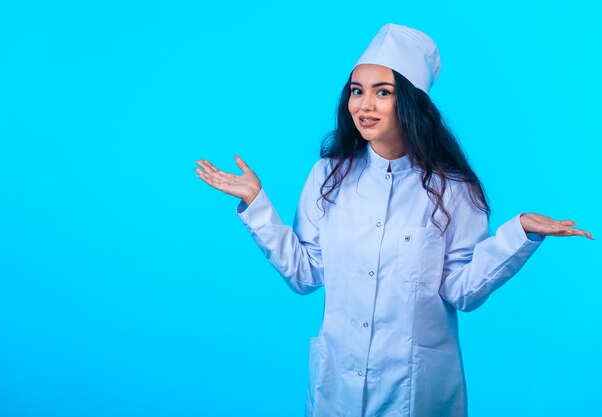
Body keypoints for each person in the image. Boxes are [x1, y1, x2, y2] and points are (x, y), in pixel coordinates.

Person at [193, 24, 593, 417]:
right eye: (357, 91)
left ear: (411, 103)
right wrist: (256, 202)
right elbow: (305, 273)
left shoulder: (452, 189)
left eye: (383, 92)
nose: (364, 106)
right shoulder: (328, 177)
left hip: (415, 392)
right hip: (337, 388)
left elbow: (462, 291)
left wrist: (519, 233)